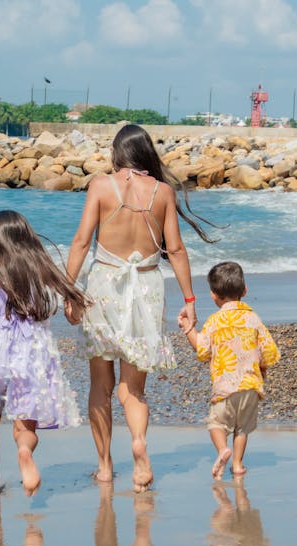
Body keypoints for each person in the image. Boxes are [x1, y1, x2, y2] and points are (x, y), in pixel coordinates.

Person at [65, 123, 218, 492]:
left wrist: (68, 290)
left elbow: (83, 242)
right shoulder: (162, 192)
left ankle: (104, 466)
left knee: (101, 385)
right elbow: (177, 250)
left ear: (117, 154)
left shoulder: (101, 186)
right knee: (133, 387)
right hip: (147, 287)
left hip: (105, 285)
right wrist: (191, 301)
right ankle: (139, 443)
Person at [0, 210, 88, 497]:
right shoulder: (39, 264)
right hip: (32, 350)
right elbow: (69, 291)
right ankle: (25, 451)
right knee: (25, 422)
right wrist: (75, 311)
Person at [178, 261, 280, 480]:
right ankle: (238, 464)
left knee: (216, 424)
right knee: (242, 429)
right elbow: (269, 352)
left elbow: (203, 350)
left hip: (225, 387)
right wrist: (262, 369)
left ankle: (223, 450)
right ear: (244, 291)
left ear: (214, 295)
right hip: (251, 386)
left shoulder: (215, 321)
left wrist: (188, 329)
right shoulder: (253, 319)